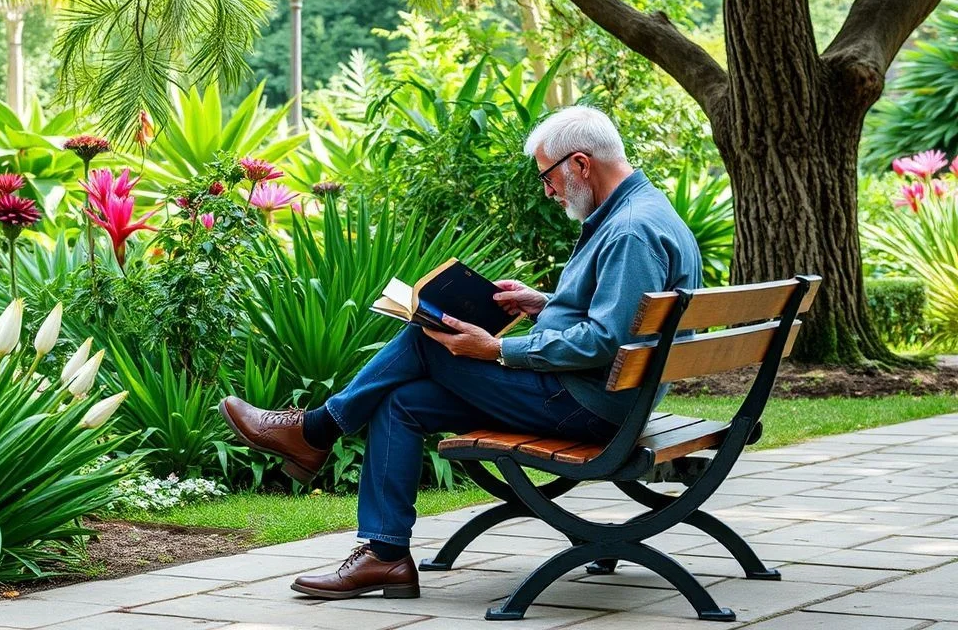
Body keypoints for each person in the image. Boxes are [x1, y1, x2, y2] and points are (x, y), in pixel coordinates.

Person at [219, 105, 703, 600]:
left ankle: (315, 430)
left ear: (580, 163)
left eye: (548, 177)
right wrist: (543, 303)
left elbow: (603, 340)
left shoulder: (628, 231)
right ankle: (385, 557)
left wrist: (498, 348)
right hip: (600, 395)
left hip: (588, 405)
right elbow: (613, 321)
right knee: (401, 402)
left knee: (422, 338)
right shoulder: (638, 210)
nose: (548, 190)